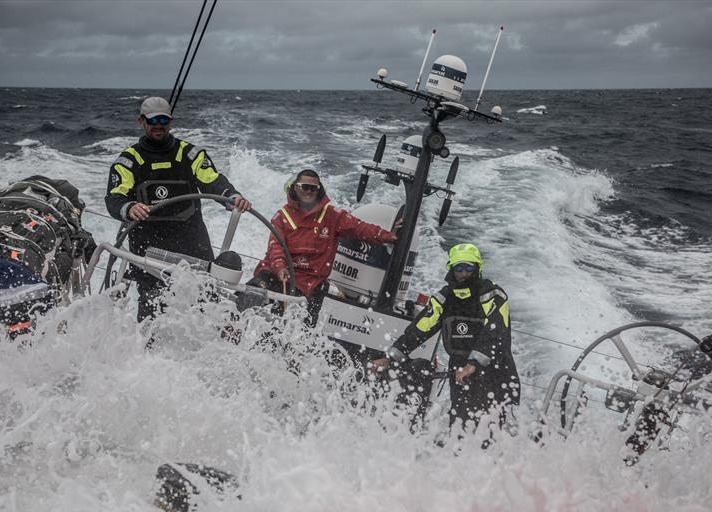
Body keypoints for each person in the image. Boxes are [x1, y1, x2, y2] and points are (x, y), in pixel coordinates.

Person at [105, 96, 251, 322]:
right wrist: (130, 207)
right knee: (151, 310)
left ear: (170, 123)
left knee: (206, 303)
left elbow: (212, 180)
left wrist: (232, 197)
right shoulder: (129, 161)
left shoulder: (190, 154)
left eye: (164, 119)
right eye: (153, 120)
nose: (159, 125)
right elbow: (115, 198)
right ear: (141, 122)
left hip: (192, 245)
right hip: (148, 248)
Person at [372, 243, 520, 441]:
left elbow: (495, 331)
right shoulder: (444, 298)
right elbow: (419, 329)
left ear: (478, 268)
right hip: (460, 370)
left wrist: (473, 363)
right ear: (451, 269)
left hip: (493, 370)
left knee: (489, 429)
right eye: (459, 268)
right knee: (459, 424)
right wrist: (390, 357)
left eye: (469, 267)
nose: (464, 273)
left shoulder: (492, 295)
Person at [248, 169, 398, 327]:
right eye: (305, 187)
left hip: (308, 283)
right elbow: (275, 247)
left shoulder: (333, 216)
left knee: (293, 322)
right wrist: (280, 267)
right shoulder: (282, 216)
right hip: (277, 273)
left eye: (313, 188)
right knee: (254, 291)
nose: (309, 191)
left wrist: (388, 236)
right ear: (295, 188)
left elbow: (360, 228)